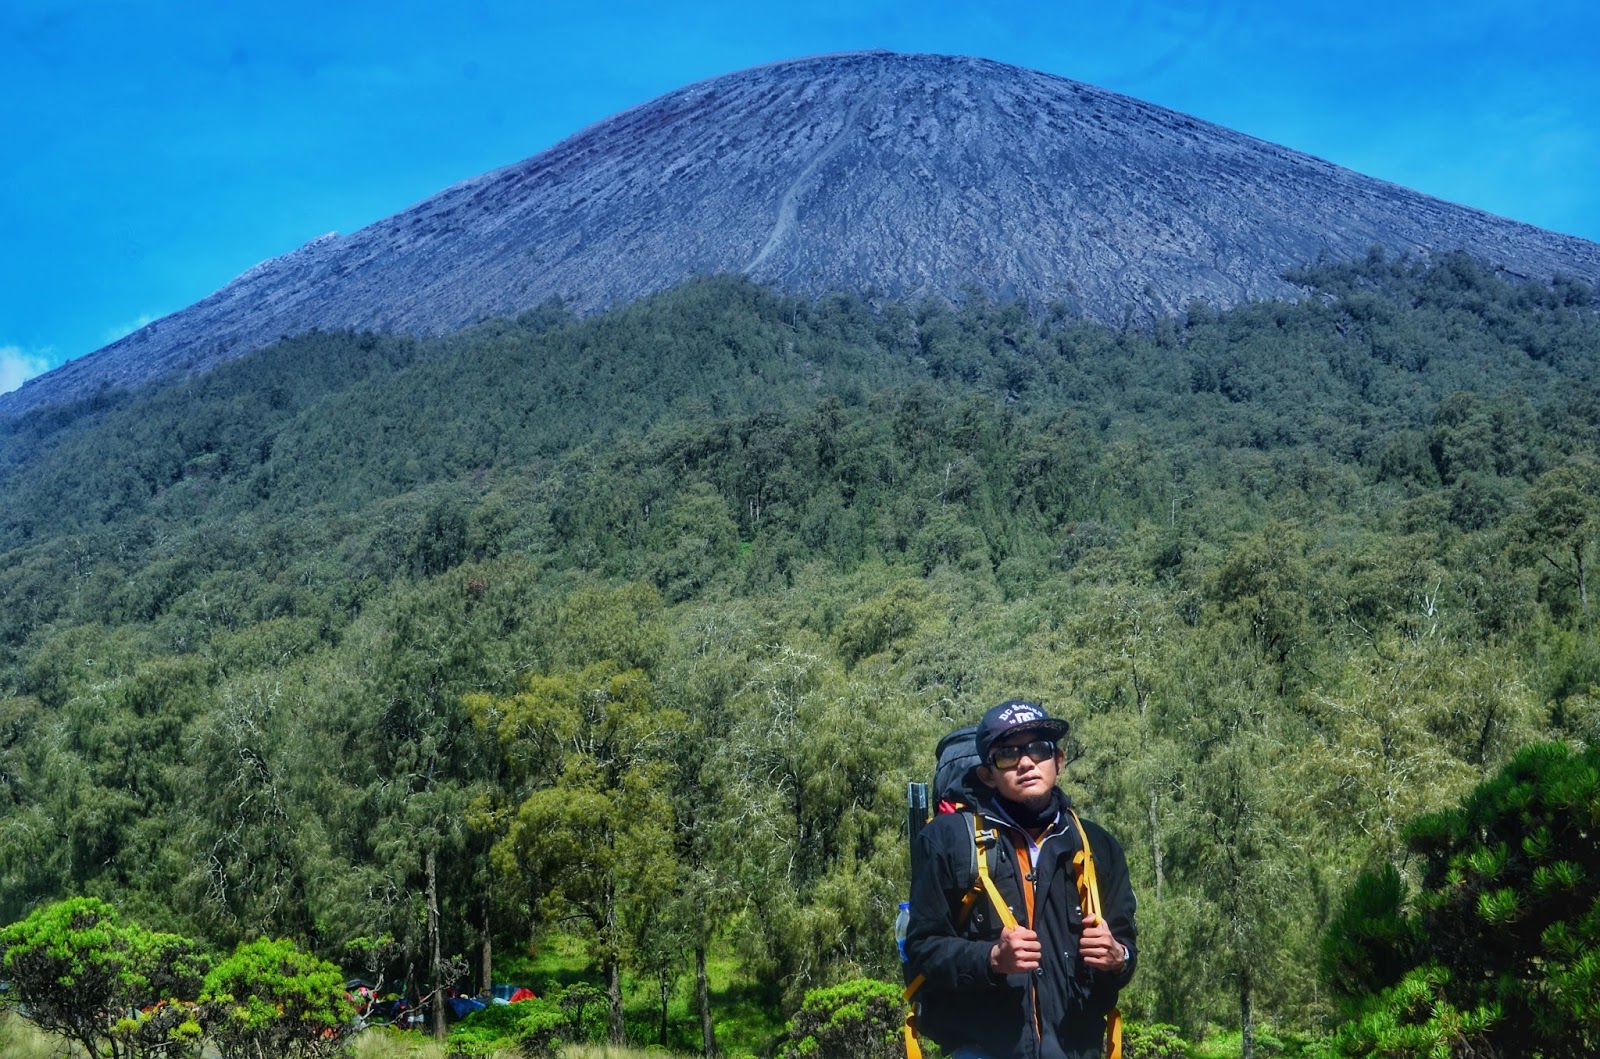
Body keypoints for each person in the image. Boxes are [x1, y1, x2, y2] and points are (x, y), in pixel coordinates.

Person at [905, 699, 1137, 1059]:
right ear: (987, 774)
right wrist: (991, 959)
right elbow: (922, 949)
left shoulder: (1097, 846)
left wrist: (1117, 957)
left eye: (1038, 749)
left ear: (1058, 761)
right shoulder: (948, 841)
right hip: (981, 1049)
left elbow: (1125, 945)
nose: (1026, 762)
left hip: (1079, 1048)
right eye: (1007, 754)